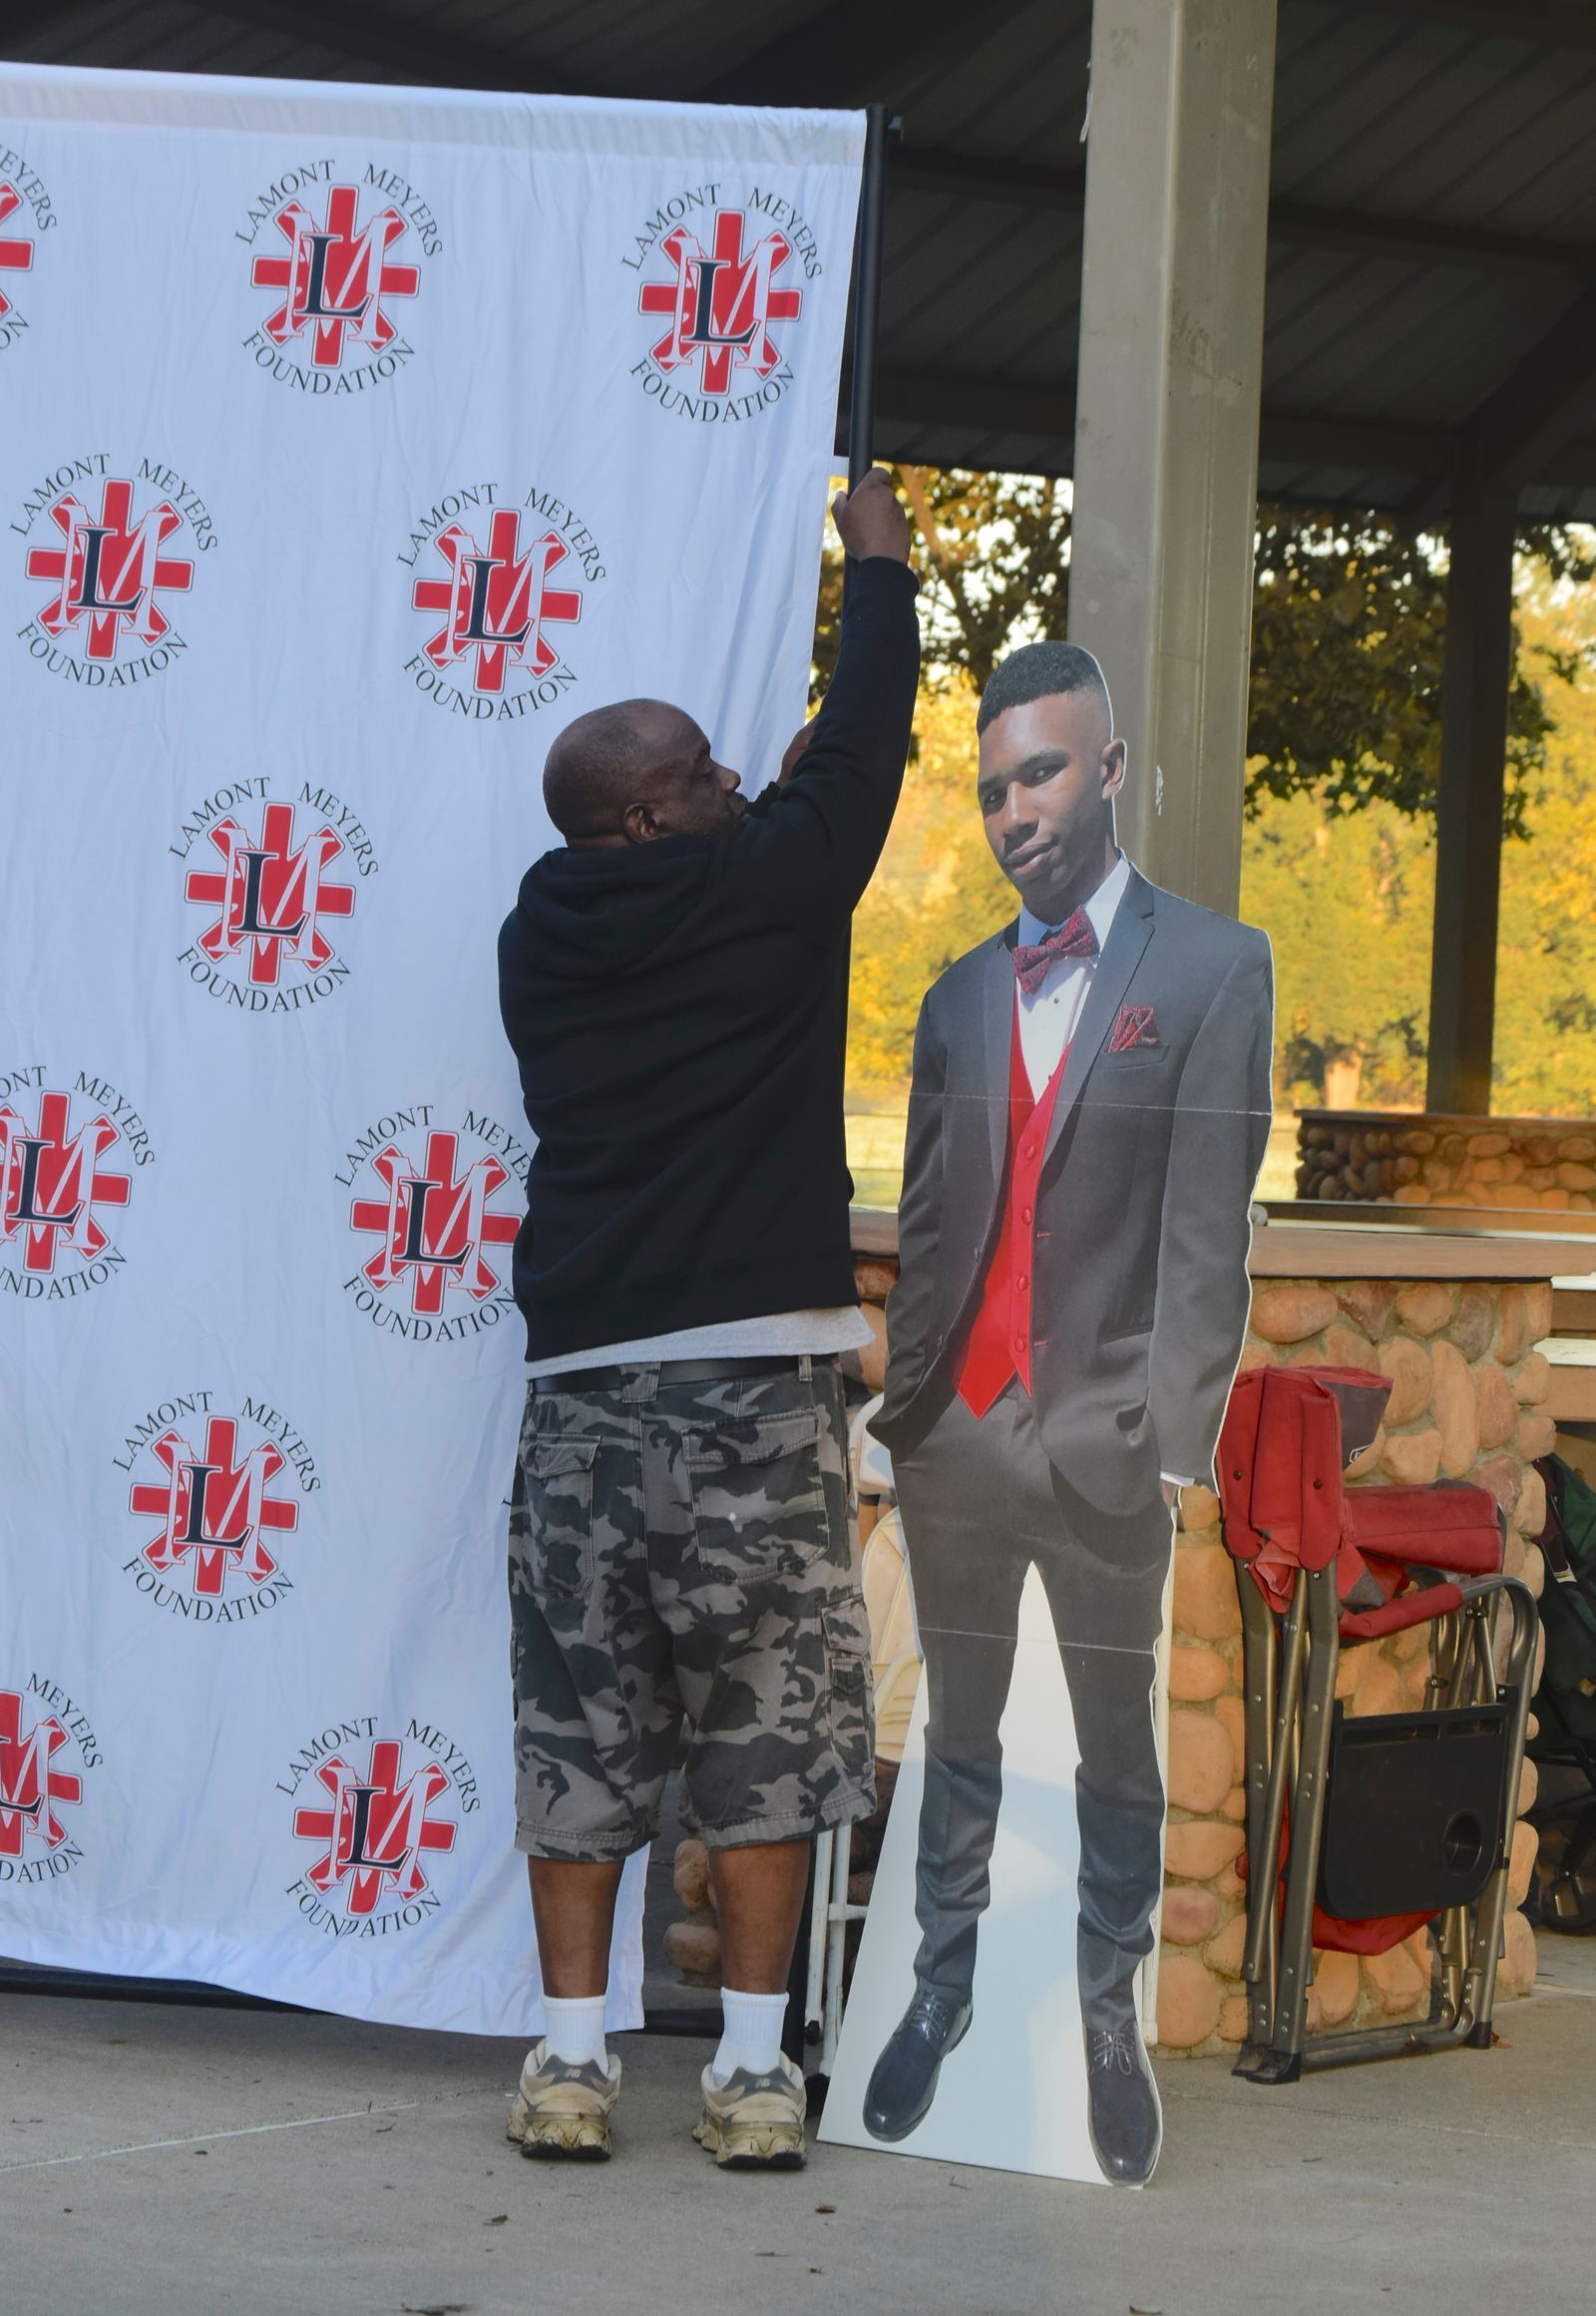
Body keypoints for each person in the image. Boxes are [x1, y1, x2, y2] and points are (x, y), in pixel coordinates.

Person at [496, 467, 919, 2168]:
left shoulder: (539, 928)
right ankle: (752, 2076)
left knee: (580, 1724)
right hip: (752, 1386)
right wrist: (876, 560)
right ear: (655, 819)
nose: (742, 782)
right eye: (706, 774)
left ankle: (569, 2063)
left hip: (584, 1394)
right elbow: (865, 739)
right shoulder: (765, 890)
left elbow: (804, 775)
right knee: (767, 1726)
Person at [865, 639, 1272, 2185]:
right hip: (961, 1441)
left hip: (1106, 1445)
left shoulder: (1214, 968)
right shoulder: (960, 996)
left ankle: (1106, 2020)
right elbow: (931, 1220)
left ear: (1108, 771)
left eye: (1040, 772)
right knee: (961, 1733)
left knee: (1113, 1755)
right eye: (989, 788)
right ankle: (943, 1991)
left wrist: (1173, 1446)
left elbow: (1205, 1235)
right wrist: (908, 1414)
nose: (1013, 810)